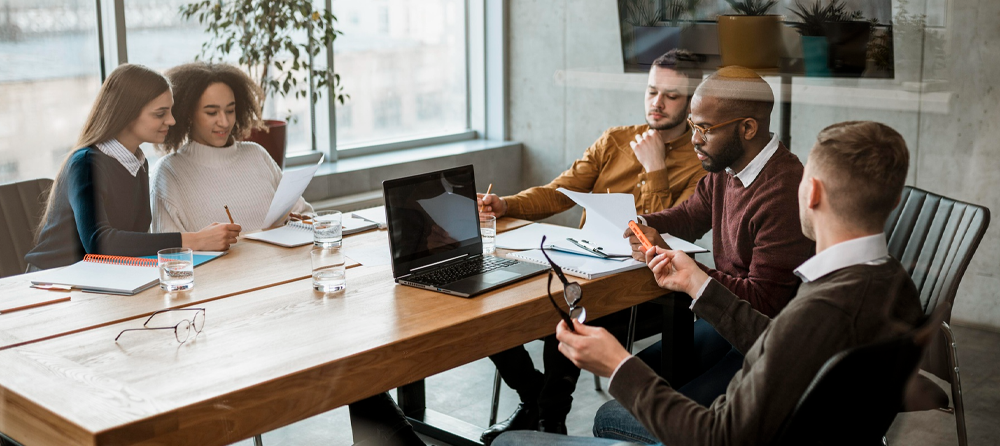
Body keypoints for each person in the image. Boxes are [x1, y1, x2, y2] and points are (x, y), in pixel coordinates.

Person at [494, 121, 924, 445]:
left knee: (520, 440)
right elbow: (782, 343)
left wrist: (617, 365)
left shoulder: (821, 307)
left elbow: (717, 435)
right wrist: (699, 284)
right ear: (892, 199)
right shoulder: (893, 284)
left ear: (811, 193)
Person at [477, 49, 708, 443]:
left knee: (568, 313)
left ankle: (550, 420)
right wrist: (506, 205)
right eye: (652, 91)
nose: (657, 102)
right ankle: (533, 397)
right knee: (489, 302)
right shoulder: (615, 140)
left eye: (671, 96)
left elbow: (672, 231)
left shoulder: (701, 162)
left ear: (690, 103)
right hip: (583, 267)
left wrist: (656, 170)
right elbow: (559, 192)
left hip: (647, 286)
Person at [612, 66, 815, 411]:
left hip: (764, 344)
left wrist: (688, 271)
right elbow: (688, 217)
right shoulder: (727, 167)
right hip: (724, 323)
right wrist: (640, 224)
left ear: (747, 128)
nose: (694, 139)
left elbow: (762, 305)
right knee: (628, 382)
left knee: (625, 411)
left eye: (704, 129)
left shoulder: (784, 192)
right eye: (693, 125)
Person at [25, 64, 241, 271]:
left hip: (102, 276)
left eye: (170, 111)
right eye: (160, 113)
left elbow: (136, 240)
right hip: (53, 280)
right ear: (127, 113)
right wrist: (194, 240)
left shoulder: (138, 163)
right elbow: (99, 243)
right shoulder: (85, 164)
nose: (172, 121)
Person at [151, 62, 311, 233]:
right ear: (188, 114)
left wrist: (298, 223)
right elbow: (169, 248)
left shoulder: (256, 154)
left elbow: (307, 214)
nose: (224, 122)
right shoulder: (169, 173)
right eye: (212, 113)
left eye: (230, 110)